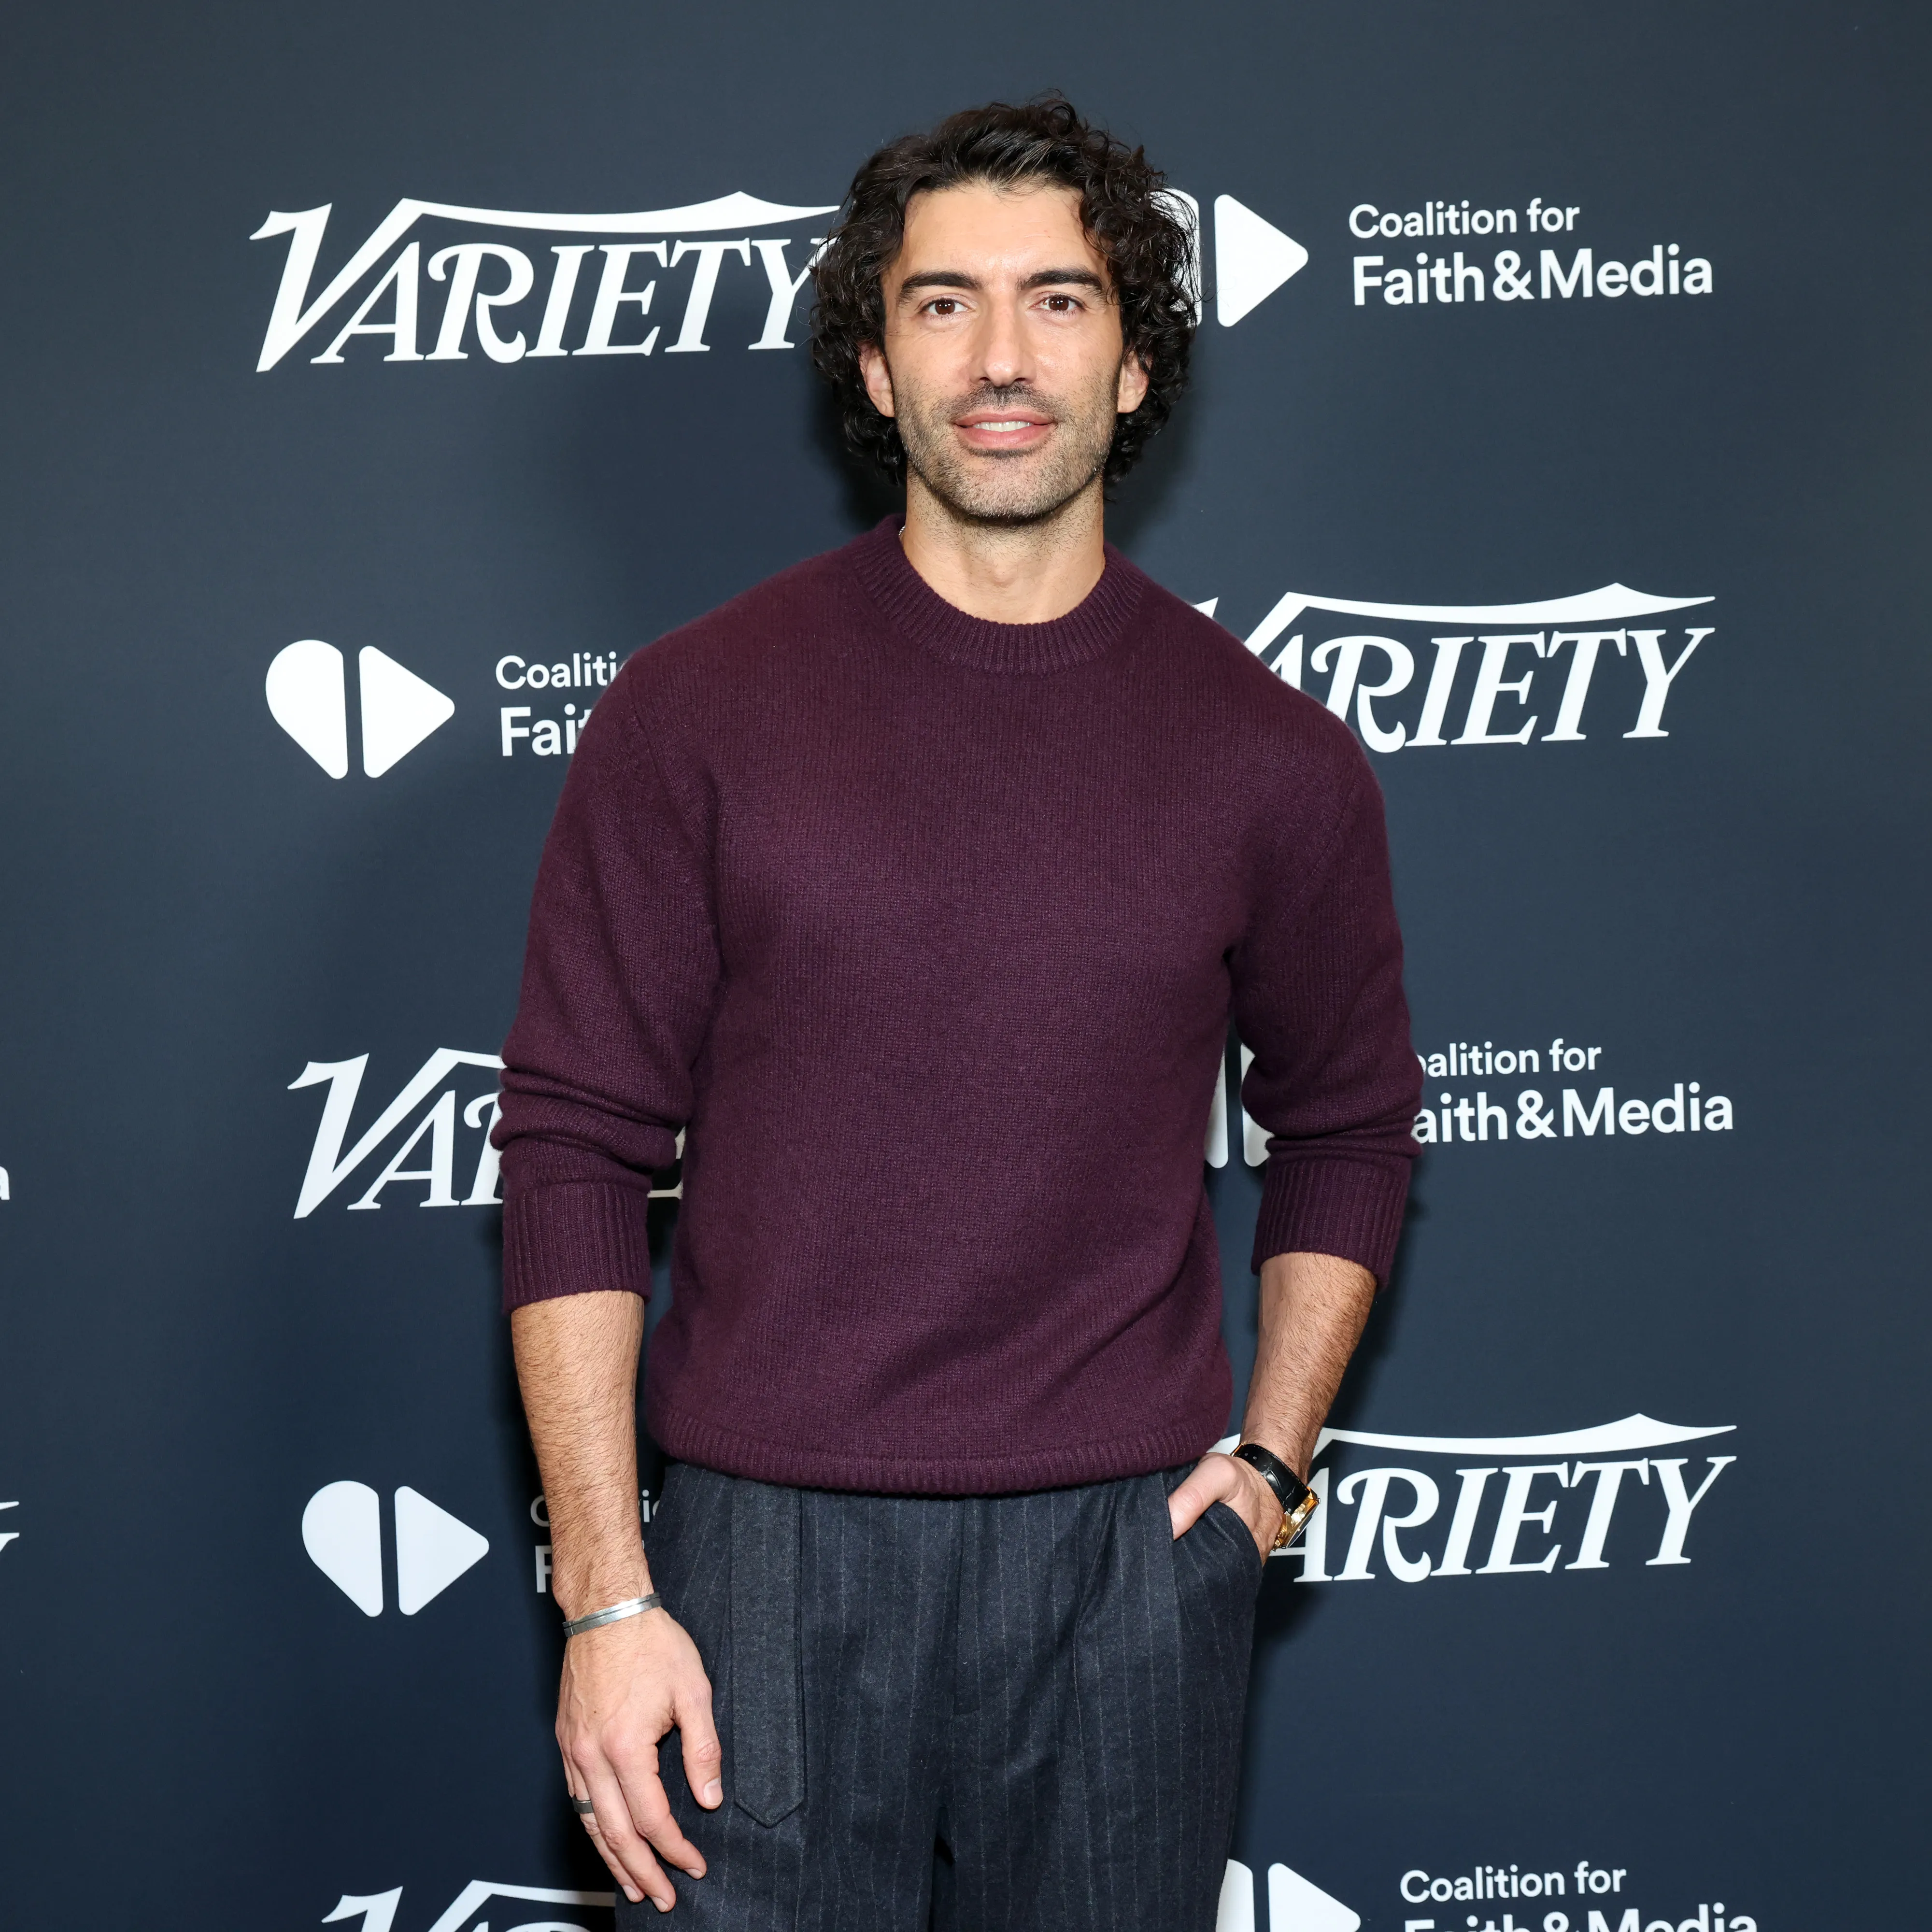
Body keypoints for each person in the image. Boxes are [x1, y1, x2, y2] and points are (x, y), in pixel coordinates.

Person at [493, 95, 1421, 1931]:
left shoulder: (1270, 754)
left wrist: (1269, 1466)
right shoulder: (696, 714)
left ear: (1137, 362)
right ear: (873, 354)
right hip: (758, 1559)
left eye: (1060, 301)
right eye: (944, 304)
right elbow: (575, 1147)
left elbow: (1351, 1127)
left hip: (1126, 1567)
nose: (1003, 358)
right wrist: (609, 1596)